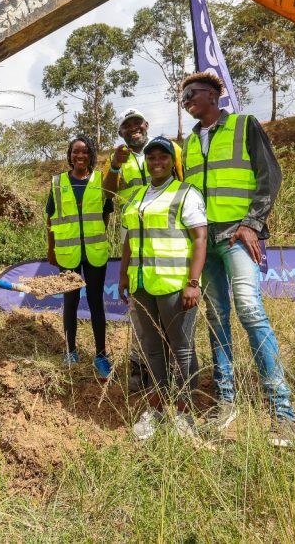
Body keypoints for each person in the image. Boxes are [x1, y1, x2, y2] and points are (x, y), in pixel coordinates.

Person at [180, 71, 295, 448]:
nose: (187, 101)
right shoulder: (187, 143)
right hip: (205, 241)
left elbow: (270, 176)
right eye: (183, 97)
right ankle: (226, 401)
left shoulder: (244, 125)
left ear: (214, 96)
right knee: (217, 317)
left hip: (237, 235)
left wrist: (252, 223)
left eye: (193, 94)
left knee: (249, 309)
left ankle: (282, 414)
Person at [118, 136, 207, 440]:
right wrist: (123, 276)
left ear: (173, 161)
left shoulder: (185, 194)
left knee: (181, 349)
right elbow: (129, 239)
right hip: (142, 285)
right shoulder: (138, 196)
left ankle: (183, 412)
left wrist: (193, 283)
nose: (156, 162)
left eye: (163, 157)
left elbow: (199, 238)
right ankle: (156, 408)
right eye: (151, 157)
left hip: (174, 285)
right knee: (152, 350)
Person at [102, 109, 183, 392]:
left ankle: (173, 367)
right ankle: (139, 365)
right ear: (121, 132)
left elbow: (183, 183)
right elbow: (107, 194)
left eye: (137, 123)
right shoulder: (117, 159)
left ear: (146, 125)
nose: (134, 128)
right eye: (127, 125)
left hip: (168, 232)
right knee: (139, 304)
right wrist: (113, 167)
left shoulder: (164, 149)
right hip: (133, 233)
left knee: (169, 298)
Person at [46, 135, 114, 378]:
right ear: (70, 155)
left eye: (85, 151)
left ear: (91, 155)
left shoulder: (100, 181)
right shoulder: (57, 183)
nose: (80, 156)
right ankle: (70, 351)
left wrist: (96, 234)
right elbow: (50, 217)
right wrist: (51, 248)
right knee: (70, 303)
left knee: (97, 303)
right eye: (76, 152)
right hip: (67, 253)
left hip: (95, 252)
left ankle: (101, 355)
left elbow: (106, 214)